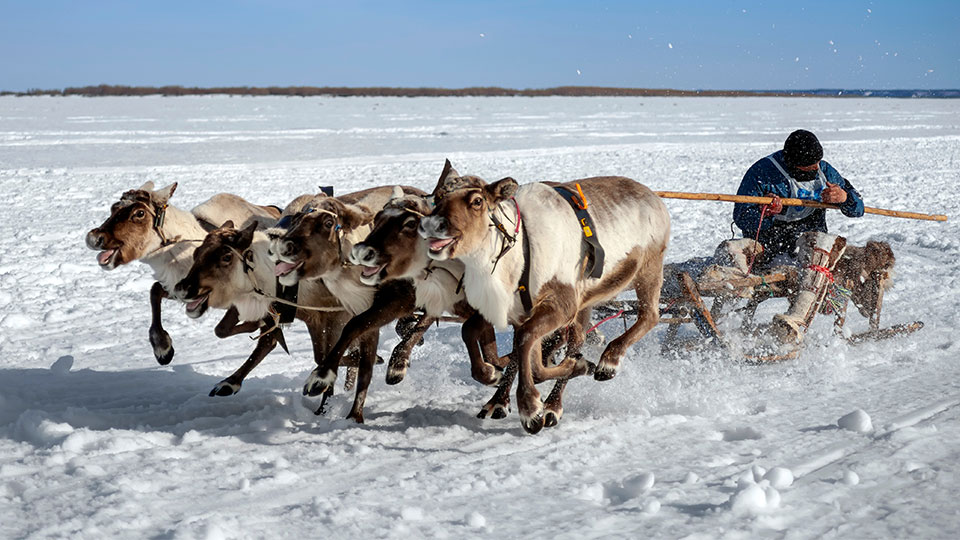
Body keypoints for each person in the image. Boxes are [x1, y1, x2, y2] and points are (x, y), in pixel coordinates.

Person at [733, 129, 864, 267]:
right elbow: (741, 216)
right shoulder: (762, 173)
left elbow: (859, 209)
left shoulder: (825, 171)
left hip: (810, 243)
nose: (816, 169)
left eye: (817, 164)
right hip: (769, 245)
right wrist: (766, 213)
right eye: (808, 169)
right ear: (792, 164)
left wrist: (845, 198)